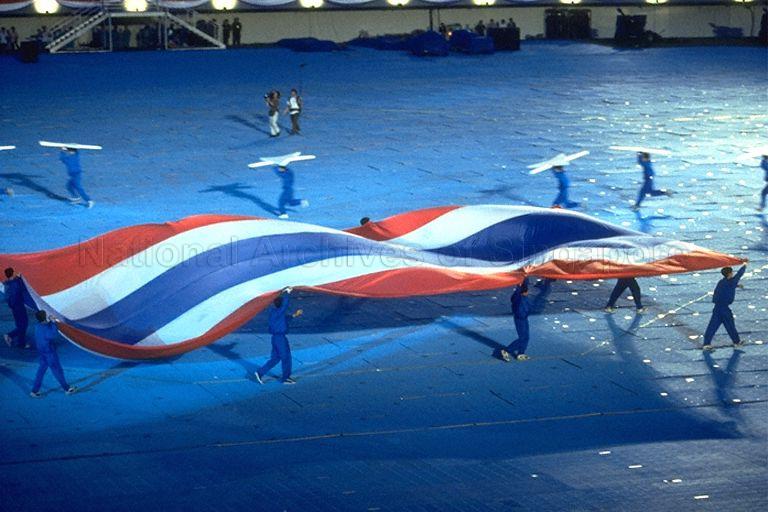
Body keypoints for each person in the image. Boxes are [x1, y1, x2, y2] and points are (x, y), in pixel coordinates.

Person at [255, 288, 303, 384]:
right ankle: (286, 378)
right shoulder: (279, 312)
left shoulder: (274, 313)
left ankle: (260, 372)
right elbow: (285, 306)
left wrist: (294, 315)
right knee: (286, 358)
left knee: (276, 358)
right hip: (280, 338)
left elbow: (284, 319)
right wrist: (288, 293)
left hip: (275, 338)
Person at [30, 310, 77, 397]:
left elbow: (44, 326)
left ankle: (34, 391)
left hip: (41, 352)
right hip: (49, 353)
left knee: (41, 371)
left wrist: (49, 322)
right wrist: (53, 322)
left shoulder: (37, 326)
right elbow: (52, 334)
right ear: (45, 317)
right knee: (57, 370)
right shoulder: (46, 328)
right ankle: (67, 389)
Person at [702, 264, 747, 351]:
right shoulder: (732, 282)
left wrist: (737, 286)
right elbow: (739, 274)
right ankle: (736, 342)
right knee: (730, 325)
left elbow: (728, 285)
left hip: (717, 308)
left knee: (712, 326)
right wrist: (745, 265)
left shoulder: (722, 282)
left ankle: (706, 344)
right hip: (724, 308)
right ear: (730, 274)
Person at [500, 279, 531, 362]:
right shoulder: (519, 299)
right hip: (520, 319)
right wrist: (520, 283)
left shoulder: (522, 297)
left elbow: (523, 286)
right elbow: (518, 290)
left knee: (526, 337)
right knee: (522, 337)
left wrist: (525, 277)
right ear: (524, 292)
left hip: (524, 318)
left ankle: (521, 353)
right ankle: (507, 350)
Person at [3, 268, 29, 348]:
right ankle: (9, 335)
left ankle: (21, 343)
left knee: (20, 324)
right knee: (24, 324)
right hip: (18, 306)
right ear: (13, 273)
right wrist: (19, 278)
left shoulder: (6, 284)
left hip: (14, 307)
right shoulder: (15, 283)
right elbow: (22, 289)